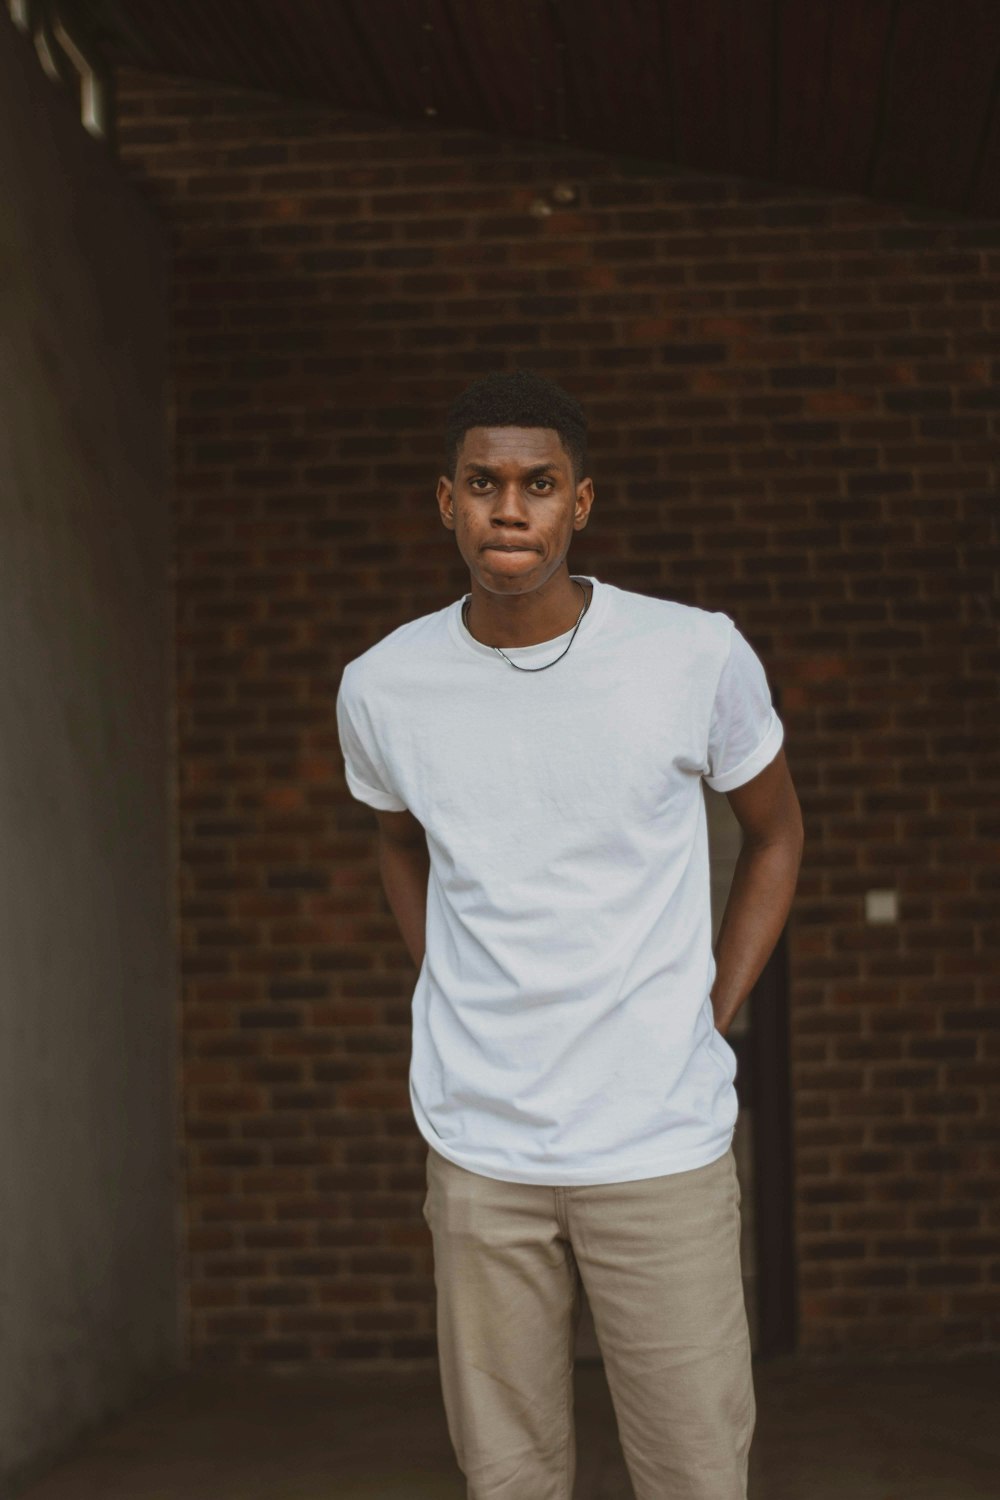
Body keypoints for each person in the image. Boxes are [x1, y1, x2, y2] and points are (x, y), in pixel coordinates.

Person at [335, 368, 804, 1500]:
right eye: (484, 483)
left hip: (658, 1144)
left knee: (693, 1472)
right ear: (442, 502)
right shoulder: (383, 685)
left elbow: (777, 835)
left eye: (537, 484)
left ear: (579, 504)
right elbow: (396, 843)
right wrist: (450, 974)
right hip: (481, 1144)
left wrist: (710, 1006)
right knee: (508, 1479)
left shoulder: (692, 654)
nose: (510, 509)